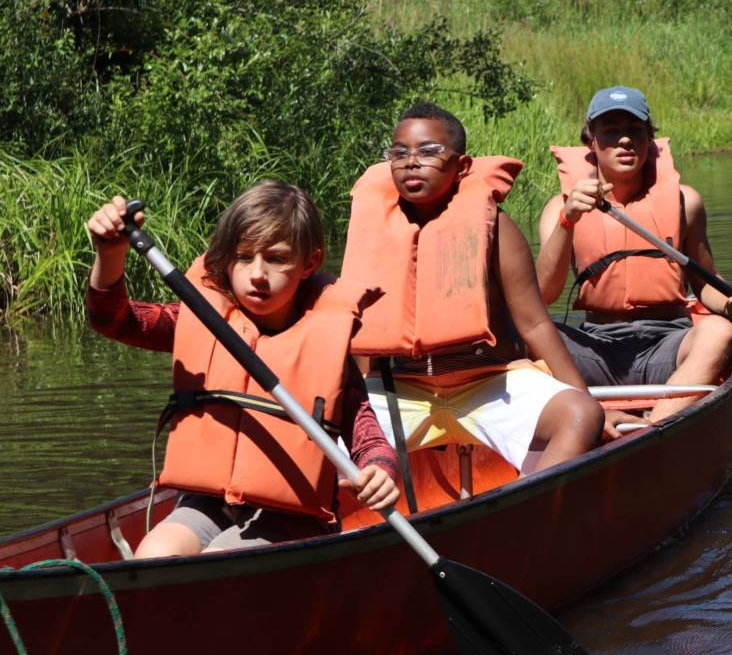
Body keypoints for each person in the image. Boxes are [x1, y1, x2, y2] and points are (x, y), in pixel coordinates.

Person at [86, 184, 401, 558]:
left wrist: (380, 472)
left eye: (277, 259)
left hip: (291, 517)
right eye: (244, 257)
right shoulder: (203, 319)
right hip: (206, 505)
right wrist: (110, 255)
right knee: (153, 555)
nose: (258, 275)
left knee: (220, 561)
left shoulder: (326, 347)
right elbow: (114, 320)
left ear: (310, 263)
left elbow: (370, 442)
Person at [339, 102, 611, 477]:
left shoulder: (496, 229)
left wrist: (587, 400)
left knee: (581, 415)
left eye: (429, 151)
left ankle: (525, 511)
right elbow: (360, 339)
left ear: (462, 166)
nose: (411, 162)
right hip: (403, 390)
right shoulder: (376, 231)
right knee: (314, 433)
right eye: (399, 153)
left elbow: (534, 324)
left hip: (489, 386)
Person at [536, 86, 732, 421]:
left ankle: (653, 426)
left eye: (634, 130)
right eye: (611, 131)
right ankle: (588, 417)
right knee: (524, 336)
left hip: (668, 344)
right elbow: (544, 294)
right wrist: (567, 220)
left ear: (650, 137)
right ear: (591, 140)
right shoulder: (560, 207)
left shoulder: (686, 201)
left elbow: (705, 284)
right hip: (595, 347)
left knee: (720, 331)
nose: (625, 140)